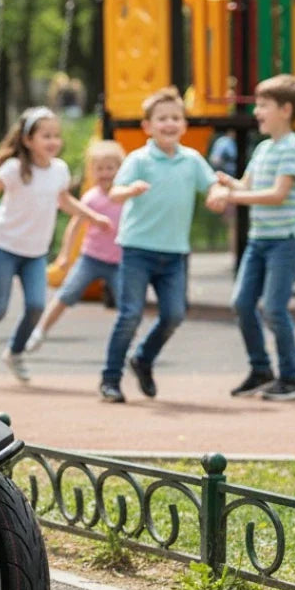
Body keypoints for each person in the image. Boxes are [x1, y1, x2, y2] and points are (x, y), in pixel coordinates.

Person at [0, 107, 113, 386]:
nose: (53, 141)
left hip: (35, 252)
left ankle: (15, 353)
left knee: (35, 306)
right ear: (28, 140)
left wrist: (93, 217)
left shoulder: (59, 170)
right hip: (5, 247)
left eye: (56, 135)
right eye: (46, 135)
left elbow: (64, 200)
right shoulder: (14, 169)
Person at [100, 87, 220, 403]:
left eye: (176, 118)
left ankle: (143, 358)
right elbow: (114, 193)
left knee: (175, 314)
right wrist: (129, 191)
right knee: (130, 314)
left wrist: (217, 196)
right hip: (137, 249)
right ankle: (110, 379)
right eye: (162, 118)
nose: (169, 124)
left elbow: (212, 187)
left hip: (175, 253)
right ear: (148, 127)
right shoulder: (139, 159)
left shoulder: (191, 160)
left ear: (184, 124)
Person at [207, 75, 295, 401]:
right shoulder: (264, 148)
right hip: (260, 238)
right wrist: (228, 184)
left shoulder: (292, 149)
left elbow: (278, 194)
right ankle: (261, 369)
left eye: (263, 105)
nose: (257, 111)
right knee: (242, 302)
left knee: (274, 308)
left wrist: (233, 198)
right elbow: (248, 186)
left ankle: (291, 379)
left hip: (286, 239)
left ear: (285, 109)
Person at [24, 140, 124, 352]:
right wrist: (65, 255)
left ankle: (128, 344)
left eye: (110, 168)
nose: (105, 173)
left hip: (119, 262)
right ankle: (40, 331)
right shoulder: (91, 198)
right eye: (99, 169)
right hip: (91, 258)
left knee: (128, 305)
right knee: (66, 294)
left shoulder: (124, 197)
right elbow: (74, 227)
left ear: (119, 169)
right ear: (92, 171)